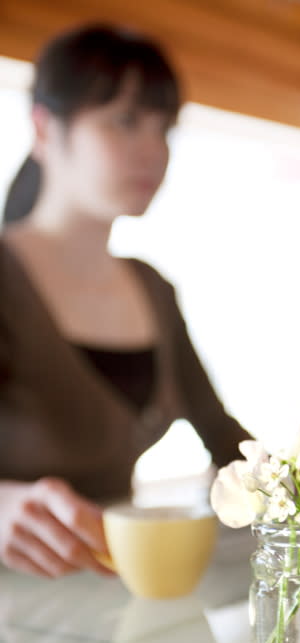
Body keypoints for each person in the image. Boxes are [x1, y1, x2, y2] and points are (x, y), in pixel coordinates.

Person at [0, 24, 251, 579]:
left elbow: (225, 440)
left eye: (165, 129)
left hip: (107, 599)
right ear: (44, 130)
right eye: (125, 120)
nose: (154, 150)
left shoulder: (151, 287)